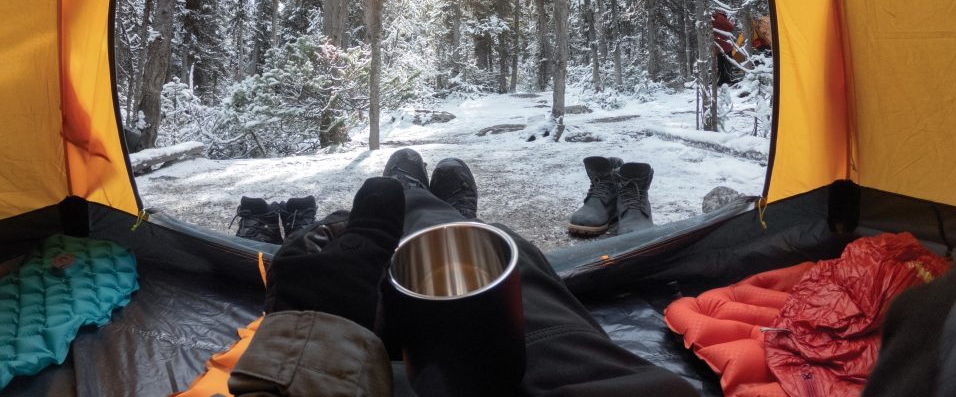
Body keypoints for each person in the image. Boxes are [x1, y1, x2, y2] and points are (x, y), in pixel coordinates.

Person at [227, 148, 697, 397]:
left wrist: (313, 352)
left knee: (368, 241)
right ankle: (447, 215)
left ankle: (418, 202)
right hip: (582, 377)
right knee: (507, 257)